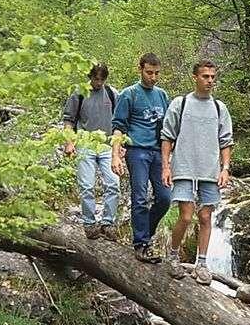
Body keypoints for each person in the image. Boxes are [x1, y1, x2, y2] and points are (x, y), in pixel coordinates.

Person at [160, 60, 233, 285]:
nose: (210, 80)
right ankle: (172, 255)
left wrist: (225, 169)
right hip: (184, 167)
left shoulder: (219, 108)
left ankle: (202, 263)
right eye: (205, 76)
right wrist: (165, 166)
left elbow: (226, 140)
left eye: (212, 77)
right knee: (186, 215)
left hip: (210, 171)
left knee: (205, 216)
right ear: (195, 77)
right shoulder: (180, 104)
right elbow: (167, 136)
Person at [111, 53, 172, 263]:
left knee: (165, 198)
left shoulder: (163, 95)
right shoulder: (129, 94)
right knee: (140, 197)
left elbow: (170, 128)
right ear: (140, 69)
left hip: (158, 152)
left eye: (156, 73)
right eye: (149, 73)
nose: (153, 77)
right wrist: (115, 155)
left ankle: (146, 232)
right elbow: (118, 126)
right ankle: (141, 244)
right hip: (136, 151)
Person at [63, 63, 119, 240]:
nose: (99, 83)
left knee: (113, 183)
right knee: (87, 186)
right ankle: (89, 223)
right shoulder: (79, 93)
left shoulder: (112, 93)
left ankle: (108, 223)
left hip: (107, 145)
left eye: (102, 79)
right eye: (96, 79)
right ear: (90, 77)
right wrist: (69, 143)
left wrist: (120, 146)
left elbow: (119, 122)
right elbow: (69, 120)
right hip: (85, 144)